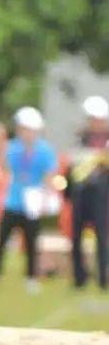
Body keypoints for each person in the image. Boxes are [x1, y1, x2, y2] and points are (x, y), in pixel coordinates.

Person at [0, 106, 58, 289]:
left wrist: (46, 198)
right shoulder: (13, 148)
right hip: (14, 200)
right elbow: (5, 168)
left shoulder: (44, 150)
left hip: (33, 202)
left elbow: (49, 175)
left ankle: (31, 276)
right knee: (2, 239)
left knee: (31, 242)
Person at [66, 95, 108, 291]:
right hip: (81, 193)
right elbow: (72, 165)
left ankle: (103, 278)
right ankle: (79, 277)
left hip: (102, 194)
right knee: (76, 236)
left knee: (102, 236)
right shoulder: (79, 139)